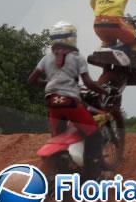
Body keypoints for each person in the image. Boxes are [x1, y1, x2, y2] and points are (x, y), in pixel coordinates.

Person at [28, 21, 108, 179]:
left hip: (51, 102)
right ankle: (95, 174)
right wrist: (103, 90)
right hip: (71, 103)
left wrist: (50, 83)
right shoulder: (78, 58)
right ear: (71, 38)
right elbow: (88, 83)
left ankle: (60, 169)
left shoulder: (46, 59)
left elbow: (31, 80)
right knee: (94, 135)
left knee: (58, 137)